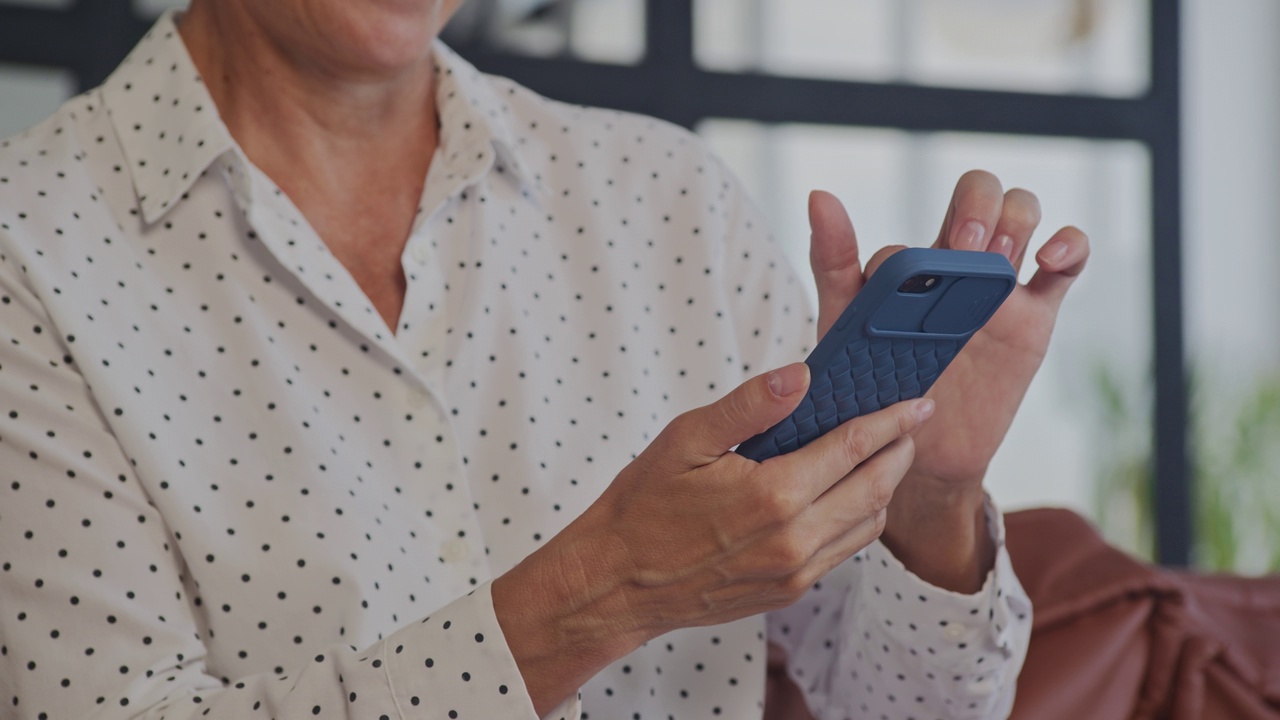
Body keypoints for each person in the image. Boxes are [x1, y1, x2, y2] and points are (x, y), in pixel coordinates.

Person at [0, 1, 1088, 718]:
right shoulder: (28, 253)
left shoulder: (672, 202)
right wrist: (597, 591)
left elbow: (910, 707)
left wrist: (928, 505)